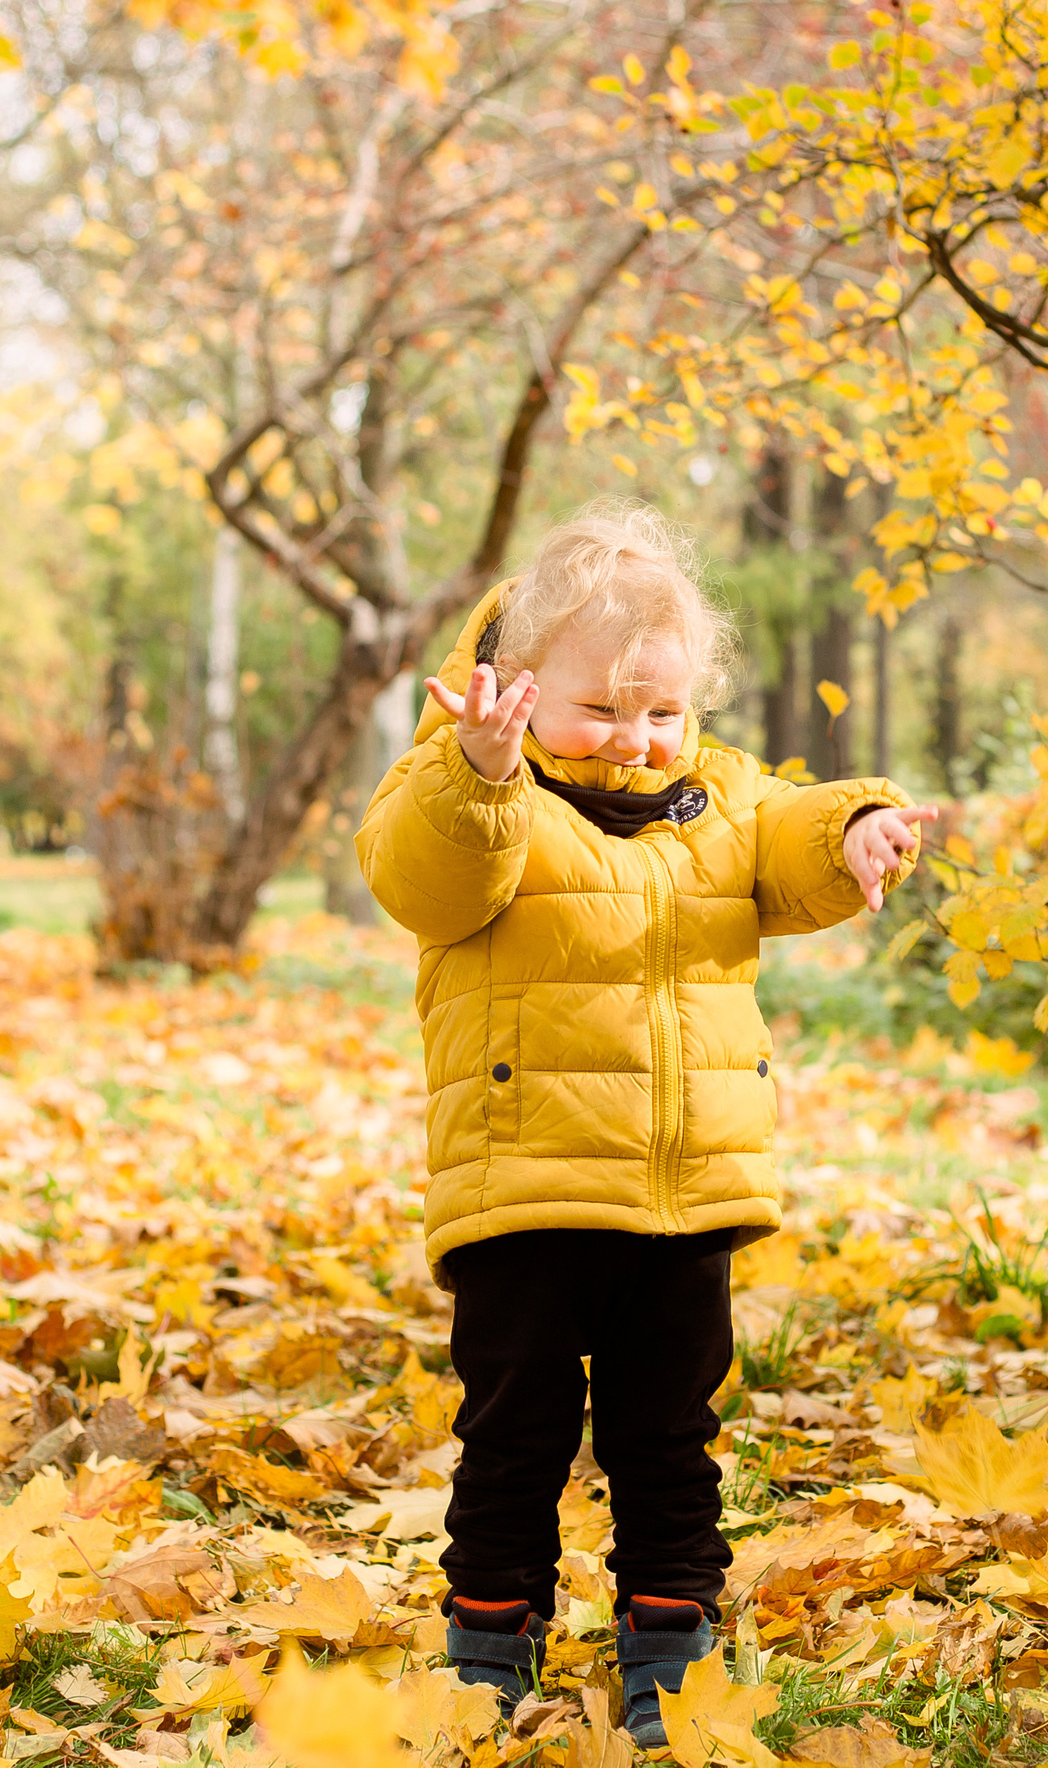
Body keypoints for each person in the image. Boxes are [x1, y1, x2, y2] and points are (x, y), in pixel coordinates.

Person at [355, 501, 936, 1743]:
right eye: (601, 707)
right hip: (526, 1193)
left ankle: (670, 1649)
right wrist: (485, 769)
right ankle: (486, 1642)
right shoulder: (468, 795)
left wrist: (854, 825)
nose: (634, 737)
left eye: (662, 710)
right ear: (506, 688)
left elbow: (785, 832)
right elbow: (429, 872)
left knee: (670, 1437)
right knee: (513, 1433)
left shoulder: (715, 799)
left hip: (681, 1200)